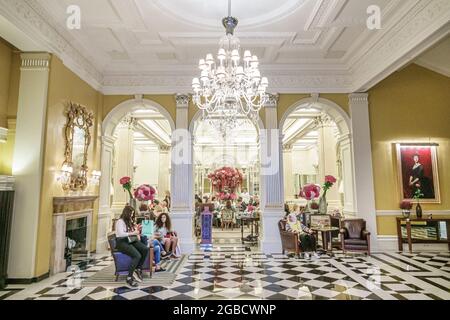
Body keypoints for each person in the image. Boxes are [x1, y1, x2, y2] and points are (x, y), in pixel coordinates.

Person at [115, 206, 149, 287]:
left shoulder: (128, 220)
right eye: (131, 214)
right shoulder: (120, 221)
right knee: (137, 255)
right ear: (126, 213)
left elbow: (130, 232)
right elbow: (120, 234)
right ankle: (129, 277)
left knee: (145, 249)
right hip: (122, 242)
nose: (131, 215)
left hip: (130, 240)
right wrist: (132, 233)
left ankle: (138, 269)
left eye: (133, 214)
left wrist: (136, 229)